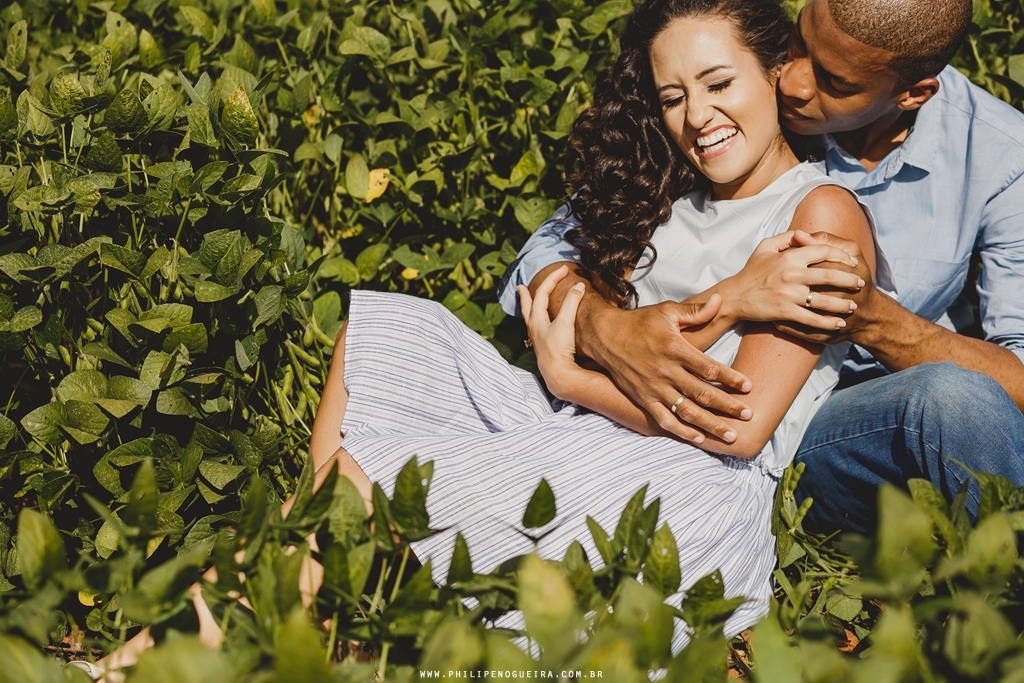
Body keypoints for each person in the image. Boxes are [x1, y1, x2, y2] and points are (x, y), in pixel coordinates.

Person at [303, 0, 885, 650]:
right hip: (588, 422)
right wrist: (728, 297)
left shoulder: (821, 211)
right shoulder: (670, 193)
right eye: (673, 97)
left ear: (778, 72)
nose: (696, 117)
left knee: (362, 477)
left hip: (686, 471)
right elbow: (555, 280)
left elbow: (735, 427)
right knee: (388, 336)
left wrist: (569, 377)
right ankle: (321, 590)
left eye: (719, 83)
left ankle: (289, 598)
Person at [499, 0, 1024, 534]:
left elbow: (1020, 382)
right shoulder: (727, 107)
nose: (792, 82)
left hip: (831, 419)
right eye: (797, 45)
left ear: (912, 94)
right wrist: (602, 327)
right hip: (674, 402)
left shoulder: (999, 157)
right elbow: (553, 245)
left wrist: (871, 318)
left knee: (955, 402)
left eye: (834, 82)